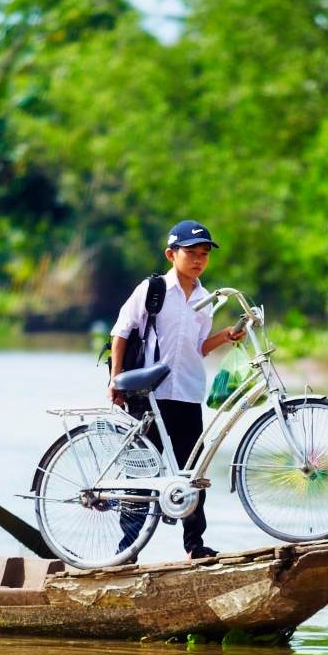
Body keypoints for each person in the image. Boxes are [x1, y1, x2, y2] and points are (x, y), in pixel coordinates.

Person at [108, 219, 245, 559]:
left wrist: (225, 335)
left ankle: (194, 545)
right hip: (150, 395)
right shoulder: (152, 290)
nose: (199, 260)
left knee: (191, 472)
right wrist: (116, 379)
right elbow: (121, 331)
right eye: (191, 253)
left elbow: (199, 346)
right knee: (140, 474)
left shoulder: (204, 299)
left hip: (187, 393)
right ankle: (127, 550)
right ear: (171, 254)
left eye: (204, 254)